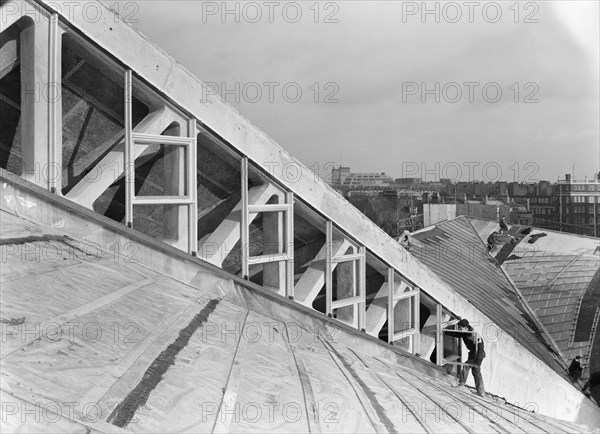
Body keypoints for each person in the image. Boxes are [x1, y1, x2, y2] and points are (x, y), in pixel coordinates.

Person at [444, 318, 486, 396]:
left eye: (460, 328)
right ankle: (481, 392)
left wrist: (477, 361)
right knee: (476, 372)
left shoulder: (474, 334)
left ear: (466, 327)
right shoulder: (465, 332)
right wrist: (445, 331)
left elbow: (480, 349)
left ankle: (461, 384)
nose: (459, 329)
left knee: (466, 366)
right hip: (473, 354)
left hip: (477, 355)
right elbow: (457, 334)